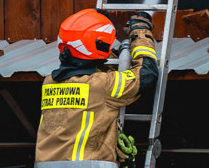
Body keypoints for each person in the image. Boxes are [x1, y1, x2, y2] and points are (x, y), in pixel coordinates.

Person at [36, 9, 158, 167]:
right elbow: (146, 74)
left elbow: (92, 67)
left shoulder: (49, 82)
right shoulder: (102, 85)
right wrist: (140, 32)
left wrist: (96, 21)